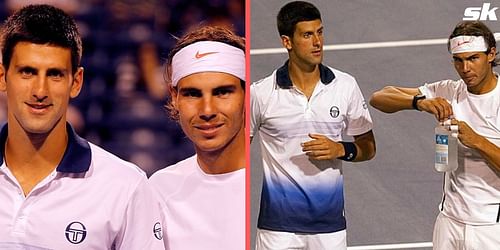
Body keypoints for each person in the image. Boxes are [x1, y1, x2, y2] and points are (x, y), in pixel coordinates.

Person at [0, 4, 164, 249]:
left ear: (76, 82)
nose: (40, 91)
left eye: (55, 74)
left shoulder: (125, 187)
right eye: (27, 72)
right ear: (2, 77)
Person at [250, 1, 376, 249]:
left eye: (320, 32)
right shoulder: (261, 93)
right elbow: (237, 152)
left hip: (329, 228)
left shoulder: (345, 85)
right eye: (307, 35)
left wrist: (341, 149)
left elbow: (368, 147)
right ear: (287, 42)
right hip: (277, 228)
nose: (317, 42)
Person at [370, 20, 500, 249]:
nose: (465, 69)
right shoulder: (449, 91)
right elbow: (379, 98)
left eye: (472, 58)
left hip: (491, 228)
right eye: (458, 60)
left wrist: (477, 141)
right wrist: (419, 103)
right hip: (448, 221)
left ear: (491, 54)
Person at [148, 26, 245, 250]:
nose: (207, 110)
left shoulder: (279, 182)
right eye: (192, 94)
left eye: (222, 92)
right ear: (174, 97)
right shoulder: (158, 190)